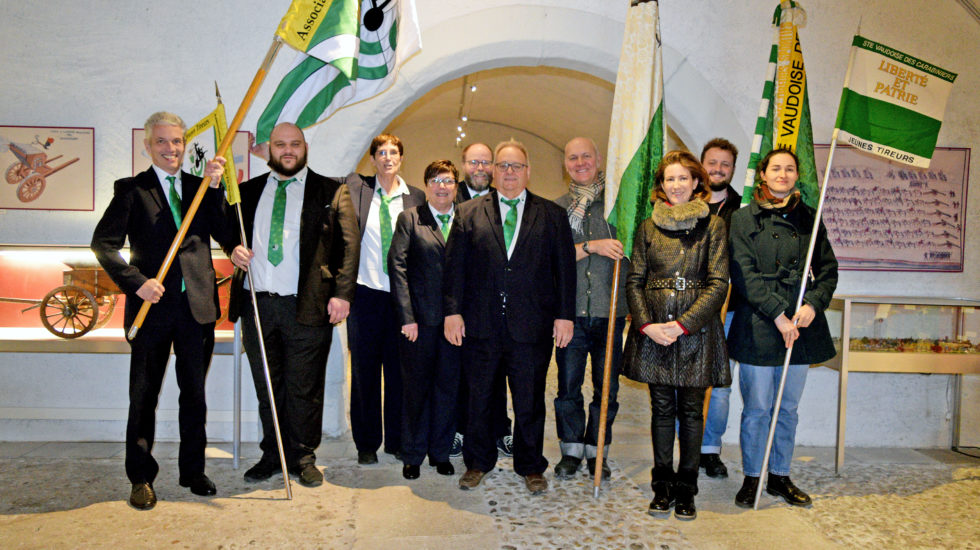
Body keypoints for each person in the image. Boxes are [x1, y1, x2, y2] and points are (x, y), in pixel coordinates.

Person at [91, 111, 236, 510]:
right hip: (151, 309)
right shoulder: (131, 190)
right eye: (161, 142)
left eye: (176, 142)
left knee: (195, 395)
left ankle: (192, 472)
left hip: (196, 308)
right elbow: (103, 244)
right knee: (144, 396)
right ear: (147, 145)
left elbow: (225, 232)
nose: (170, 149)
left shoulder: (199, 186)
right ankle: (140, 477)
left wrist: (218, 188)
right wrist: (137, 281)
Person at [226, 122, 359, 487]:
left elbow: (349, 248)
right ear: (269, 151)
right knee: (268, 385)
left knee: (305, 387)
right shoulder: (247, 192)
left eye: (295, 144)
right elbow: (226, 229)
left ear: (305, 147)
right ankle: (272, 455)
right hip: (258, 305)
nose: (288, 151)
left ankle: (302, 456)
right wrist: (231, 249)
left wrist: (342, 294)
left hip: (308, 306)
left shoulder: (332, 191)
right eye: (281, 145)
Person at [444, 140, 575, 495]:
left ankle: (531, 465)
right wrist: (452, 312)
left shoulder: (551, 215)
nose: (509, 173)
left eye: (516, 166)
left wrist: (565, 316)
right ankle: (477, 462)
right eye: (503, 166)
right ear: (492, 171)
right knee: (479, 398)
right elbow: (455, 269)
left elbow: (564, 271)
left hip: (531, 325)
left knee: (529, 399)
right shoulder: (469, 212)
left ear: (528, 171)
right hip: (480, 324)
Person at [621, 150, 730, 520]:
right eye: (670, 179)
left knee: (692, 412)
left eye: (683, 178)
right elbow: (635, 280)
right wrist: (647, 324)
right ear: (661, 185)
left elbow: (718, 284)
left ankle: (687, 488)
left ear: (697, 182)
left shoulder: (713, 226)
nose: (677, 185)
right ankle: (662, 485)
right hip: (654, 330)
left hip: (696, 332)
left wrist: (683, 324)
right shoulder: (647, 227)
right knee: (663, 410)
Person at [728, 148, 838, 509]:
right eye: (776, 168)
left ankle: (779, 476)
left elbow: (827, 269)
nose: (783, 174)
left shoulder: (810, 217)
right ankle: (752, 477)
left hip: (801, 324)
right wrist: (778, 315)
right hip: (759, 323)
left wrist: (812, 306)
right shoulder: (742, 219)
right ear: (762, 174)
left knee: (787, 408)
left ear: (796, 176)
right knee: (757, 407)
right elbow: (743, 273)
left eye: (790, 169)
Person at [345, 134, 426, 465]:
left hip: (402, 298)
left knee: (399, 373)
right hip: (365, 294)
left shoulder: (416, 198)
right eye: (381, 152)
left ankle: (395, 440)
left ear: (401, 158)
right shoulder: (358, 190)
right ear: (373, 158)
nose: (388, 157)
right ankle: (366, 444)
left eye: (394, 151)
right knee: (364, 373)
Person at [552, 137, 627, 480]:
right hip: (570, 317)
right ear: (565, 164)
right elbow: (553, 260)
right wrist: (592, 246)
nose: (580, 162)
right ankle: (570, 450)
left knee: (606, 389)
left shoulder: (620, 206)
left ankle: (598, 452)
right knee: (568, 388)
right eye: (572, 158)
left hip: (610, 314)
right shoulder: (556, 209)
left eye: (586, 156)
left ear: (598, 160)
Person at [389, 160, 461, 480]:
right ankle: (413, 454)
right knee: (416, 389)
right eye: (435, 180)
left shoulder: (468, 219)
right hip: (419, 321)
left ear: (456, 186)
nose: (441, 186)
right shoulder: (411, 219)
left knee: (448, 387)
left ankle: (440, 453)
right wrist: (407, 317)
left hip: (456, 323)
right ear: (426, 185)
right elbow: (398, 268)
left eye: (447, 180)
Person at [451, 142, 514, 460]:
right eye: (473, 162)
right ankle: (461, 429)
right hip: (464, 307)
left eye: (486, 162)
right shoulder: (451, 197)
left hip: (500, 307)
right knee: (464, 376)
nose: (480, 168)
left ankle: (502, 430)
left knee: (500, 372)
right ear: (463, 164)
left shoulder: (506, 199)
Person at [698, 137, 742, 479]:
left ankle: (710, 449)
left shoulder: (743, 212)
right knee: (685, 381)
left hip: (727, 312)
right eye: (712, 162)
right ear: (701, 165)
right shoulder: (683, 203)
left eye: (725, 164)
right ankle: (686, 445)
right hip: (687, 310)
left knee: (721, 385)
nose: (717, 169)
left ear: (733, 169)